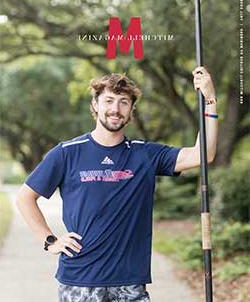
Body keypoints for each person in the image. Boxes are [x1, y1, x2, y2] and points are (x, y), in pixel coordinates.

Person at [16, 67, 218, 302]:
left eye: (123, 102)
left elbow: (203, 154)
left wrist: (210, 100)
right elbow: (25, 198)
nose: (115, 109)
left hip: (130, 282)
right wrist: (50, 240)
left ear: (131, 110)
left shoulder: (145, 154)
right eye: (109, 100)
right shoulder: (66, 153)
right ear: (95, 104)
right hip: (80, 280)